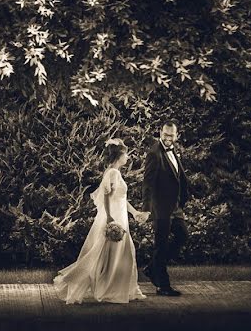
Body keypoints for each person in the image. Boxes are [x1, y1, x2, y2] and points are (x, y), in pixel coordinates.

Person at [53, 138, 149, 304]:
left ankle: (125, 289)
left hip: (120, 216)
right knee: (118, 254)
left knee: (119, 254)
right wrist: (110, 217)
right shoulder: (113, 173)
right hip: (115, 217)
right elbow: (105, 195)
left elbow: (121, 198)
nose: (128, 157)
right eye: (126, 154)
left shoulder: (114, 173)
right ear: (119, 155)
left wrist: (134, 213)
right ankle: (114, 290)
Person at [142, 121, 190, 296]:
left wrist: (183, 200)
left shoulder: (173, 151)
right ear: (160, 133)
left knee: (183, 236)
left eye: (171, 135)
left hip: (175, 207)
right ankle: (163, 286)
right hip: (161, 208)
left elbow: (178, 178)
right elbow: (147, 183)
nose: (168, 138)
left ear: (176, 135)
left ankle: (152, 267)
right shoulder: (154, 154)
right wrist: (147, 208)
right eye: (165, 134)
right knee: (160, 246)